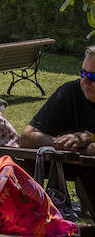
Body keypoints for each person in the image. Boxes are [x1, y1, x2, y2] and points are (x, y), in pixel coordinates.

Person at [19, 45, 95, 208]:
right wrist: (62, 144)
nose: (85, 81)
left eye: (92, 76)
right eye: (82, 73)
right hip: (80, 172)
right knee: (14, 163)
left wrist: (88, 139)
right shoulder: (69, 92)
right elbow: (27, 137)